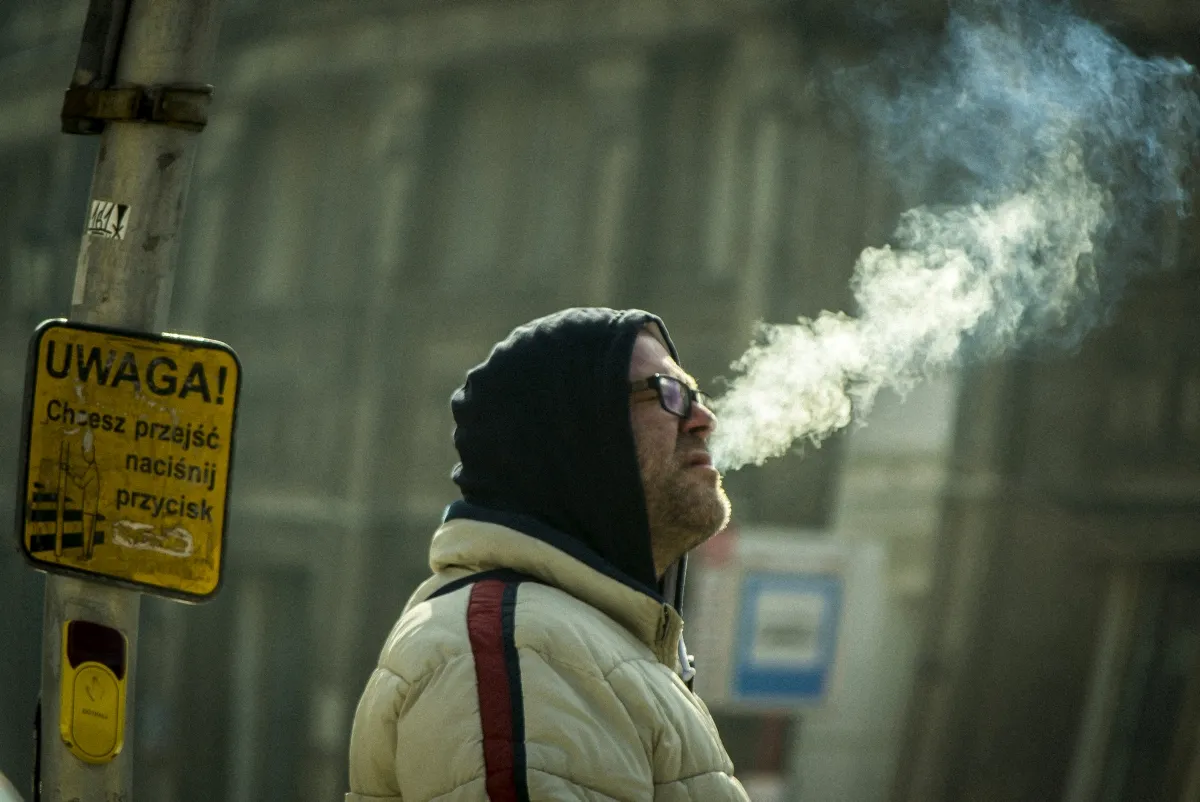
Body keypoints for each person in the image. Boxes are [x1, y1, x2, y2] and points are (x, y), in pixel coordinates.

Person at [346, 307, 749, 801]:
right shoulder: (525, 647)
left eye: (697, 398)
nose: (704, 420)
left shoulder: (581, 644)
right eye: (669, 393)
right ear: (574, 431)